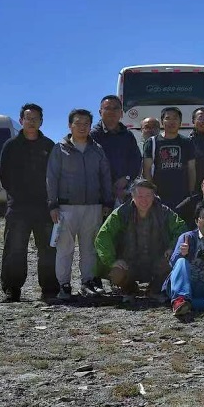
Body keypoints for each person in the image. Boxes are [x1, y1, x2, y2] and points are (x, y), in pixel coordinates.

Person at [47, 108, 114, 299]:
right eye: (78, 123)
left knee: (89, 248)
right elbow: (51, 177)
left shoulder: (97, 149)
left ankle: (88, 282)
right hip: (65, 207)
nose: (82, 127)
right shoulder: (59, 149)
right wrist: (52, 204)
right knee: (64, 249)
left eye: (86, 124)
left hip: (93, 206)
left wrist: (107, 201)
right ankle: (64, 285)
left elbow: (105, 176)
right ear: (70, 125)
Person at [0, 102, 58, 302]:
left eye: (35, 119)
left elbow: (54, 175)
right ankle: (12, 289)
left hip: (44, 207)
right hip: (18, 207)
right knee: (14, 249)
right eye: (28, 118)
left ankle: (49, 289)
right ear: (21, 120)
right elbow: (4, 175)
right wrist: (18, 197)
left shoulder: (49, 145)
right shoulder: (11, 146)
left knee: (48, 249)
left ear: (41, 122)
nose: (31, 122)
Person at [95, 177, 187, 297]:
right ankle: (129, 287)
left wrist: (172, 248)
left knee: (173, 263)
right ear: (132, 196)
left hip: (157, 261)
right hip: (128, 262)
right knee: (117, 274)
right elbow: (103, 236)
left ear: (154, 196)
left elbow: (181, 229)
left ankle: (156, 287)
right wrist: (112, 260)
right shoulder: (121, 213)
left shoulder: (164, 212)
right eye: (140, 196)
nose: (144, 200)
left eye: (148, 195)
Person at [142, 106, 196, 210]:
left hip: (182, 195)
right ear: (162, 122)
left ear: (180, 122)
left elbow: (191, 169)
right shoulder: (151, 142)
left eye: (175, 118)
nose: (172, 121)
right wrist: (151, 192)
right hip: (158, 195)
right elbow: (147, 170)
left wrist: (191, 192)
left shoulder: (187, 142)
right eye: (167, 118)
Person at [91, 95, 141, 204]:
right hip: (98, 195)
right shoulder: (92, 136)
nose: (111, 112)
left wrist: (127, 178)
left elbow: (136, 160)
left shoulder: (128, 136)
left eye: (115, 108)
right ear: (100, 112)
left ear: (121, 113)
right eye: (107, 108)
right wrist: (109, 186)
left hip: (124, 193)